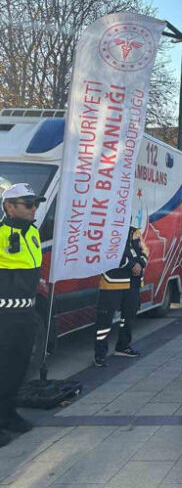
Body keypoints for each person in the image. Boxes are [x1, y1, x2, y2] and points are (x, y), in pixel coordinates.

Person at [0, 184, 44, 447]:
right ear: (9, 206)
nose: (34, 208)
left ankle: (7, 414)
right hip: (3, 315)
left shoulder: (33, 232)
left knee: (18, 369)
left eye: (35, 203)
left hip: (26, 312)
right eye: (28, 203)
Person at [93, 225, 148, 366]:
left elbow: (145, 251)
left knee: (128, 317)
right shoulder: (107, 229)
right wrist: (131, 265)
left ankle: (123, 346)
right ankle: (100, 355)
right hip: (112, 282)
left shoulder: (135, 232)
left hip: (133, 283)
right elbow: (110, 252)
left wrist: (141, 264)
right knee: (104, 321)